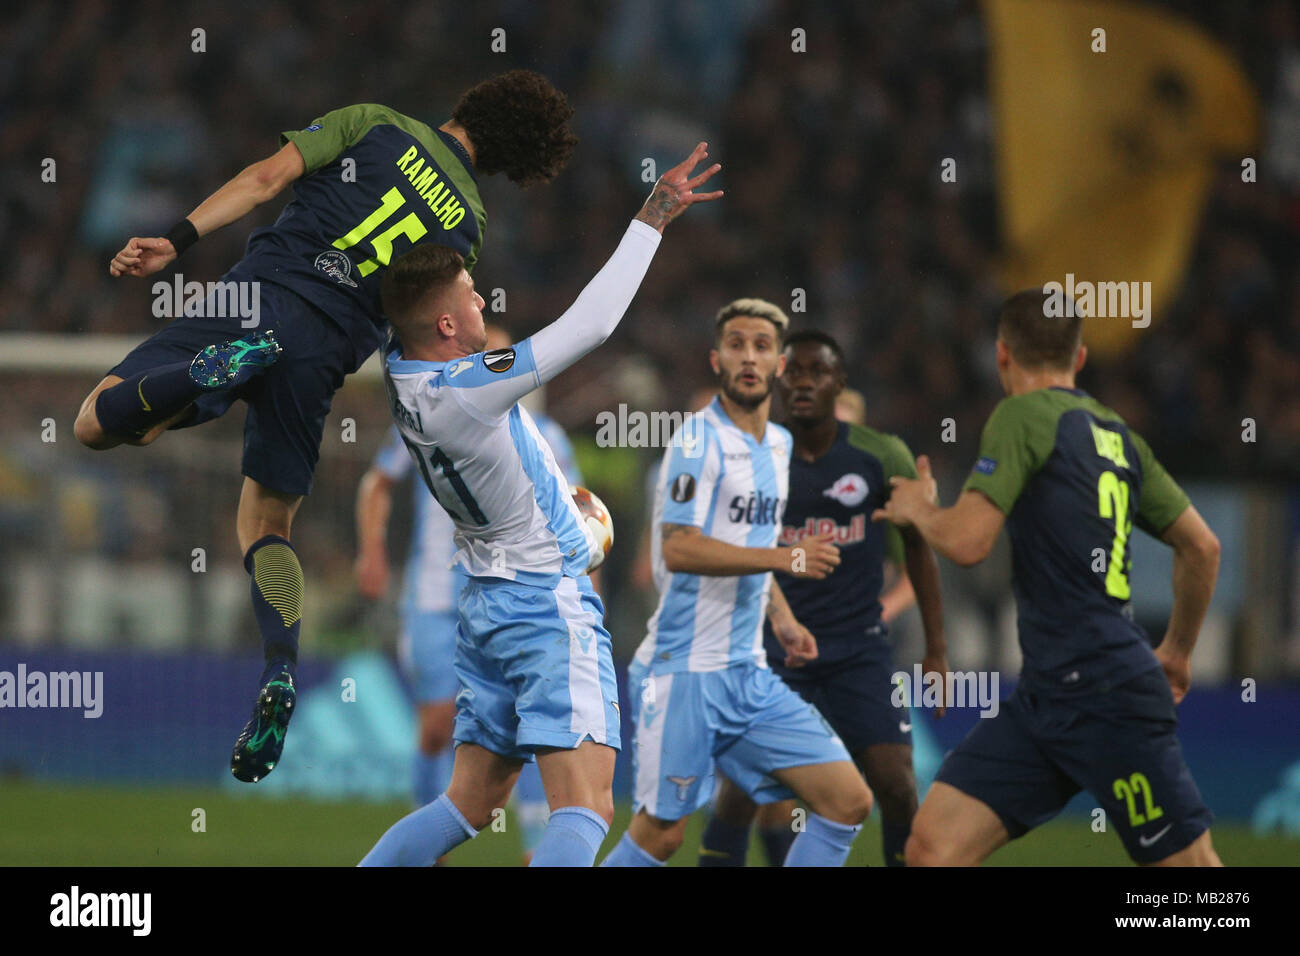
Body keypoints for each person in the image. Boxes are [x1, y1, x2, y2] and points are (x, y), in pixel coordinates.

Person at [73, 71, 578, 783]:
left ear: (471, 105)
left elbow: (262, 178)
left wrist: (176, 240)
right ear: (513, 160)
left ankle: (205, 372)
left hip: (262, 296)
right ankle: (279, 668)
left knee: (97, 421)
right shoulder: (466, 228)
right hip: (321, 357)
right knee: (267, 524)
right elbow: (421, 335)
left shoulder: (377, 121)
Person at [358, 143, 722, 866]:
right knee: (586, 808)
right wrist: (653, 215)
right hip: (544, 603)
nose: (482, 301)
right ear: (447, 330)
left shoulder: (401, 376)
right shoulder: (470, 387)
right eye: (469, 295)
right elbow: (590, 326)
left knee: (469, 803)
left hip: (486, 605)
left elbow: (398, 298)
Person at [876, 289, 1222, 866]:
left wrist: (918, 509)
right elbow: (1202, 547)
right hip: (1048, 697)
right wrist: (1178, 652)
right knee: (931, 848)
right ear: (1080, 358)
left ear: (1001, 355)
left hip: (1106, 692)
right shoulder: (1121, 436)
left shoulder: (1020, 415)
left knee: (1193, 877)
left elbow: (967, 542)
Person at [602, 300, 873, 868]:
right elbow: (678, 547)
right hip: (685, 675)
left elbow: (747, 539)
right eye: (736, 344)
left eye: (761, 345)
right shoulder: (696, 442)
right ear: (716, 359)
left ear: (778, 364)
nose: (749, 356)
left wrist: (781, 616)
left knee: (847, 801)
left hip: (747, 674)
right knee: (662, 835)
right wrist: (785, 558)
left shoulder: (777, 444)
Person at [698, 330, 948, 867]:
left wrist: (938, 650)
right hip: (772, 651)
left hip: (859, 651)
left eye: (819, 372)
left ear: (841, 383)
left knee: (896, 782)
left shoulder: (882, 455)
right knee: (744, 787)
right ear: (778, 378)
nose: (804, 381)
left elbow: (920, 555)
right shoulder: (755, 456)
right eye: (795, 372)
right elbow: (727, 553)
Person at [355, 326, 586, 861]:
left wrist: (582, 588)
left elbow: (577, 514)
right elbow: (378, 482)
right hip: (438, 597)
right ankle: (428, 843)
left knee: (532, 726)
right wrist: (371, 549)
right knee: (437, 727)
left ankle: (534, 844)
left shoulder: (544, 434)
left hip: (519, 597)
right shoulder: (432, 409)